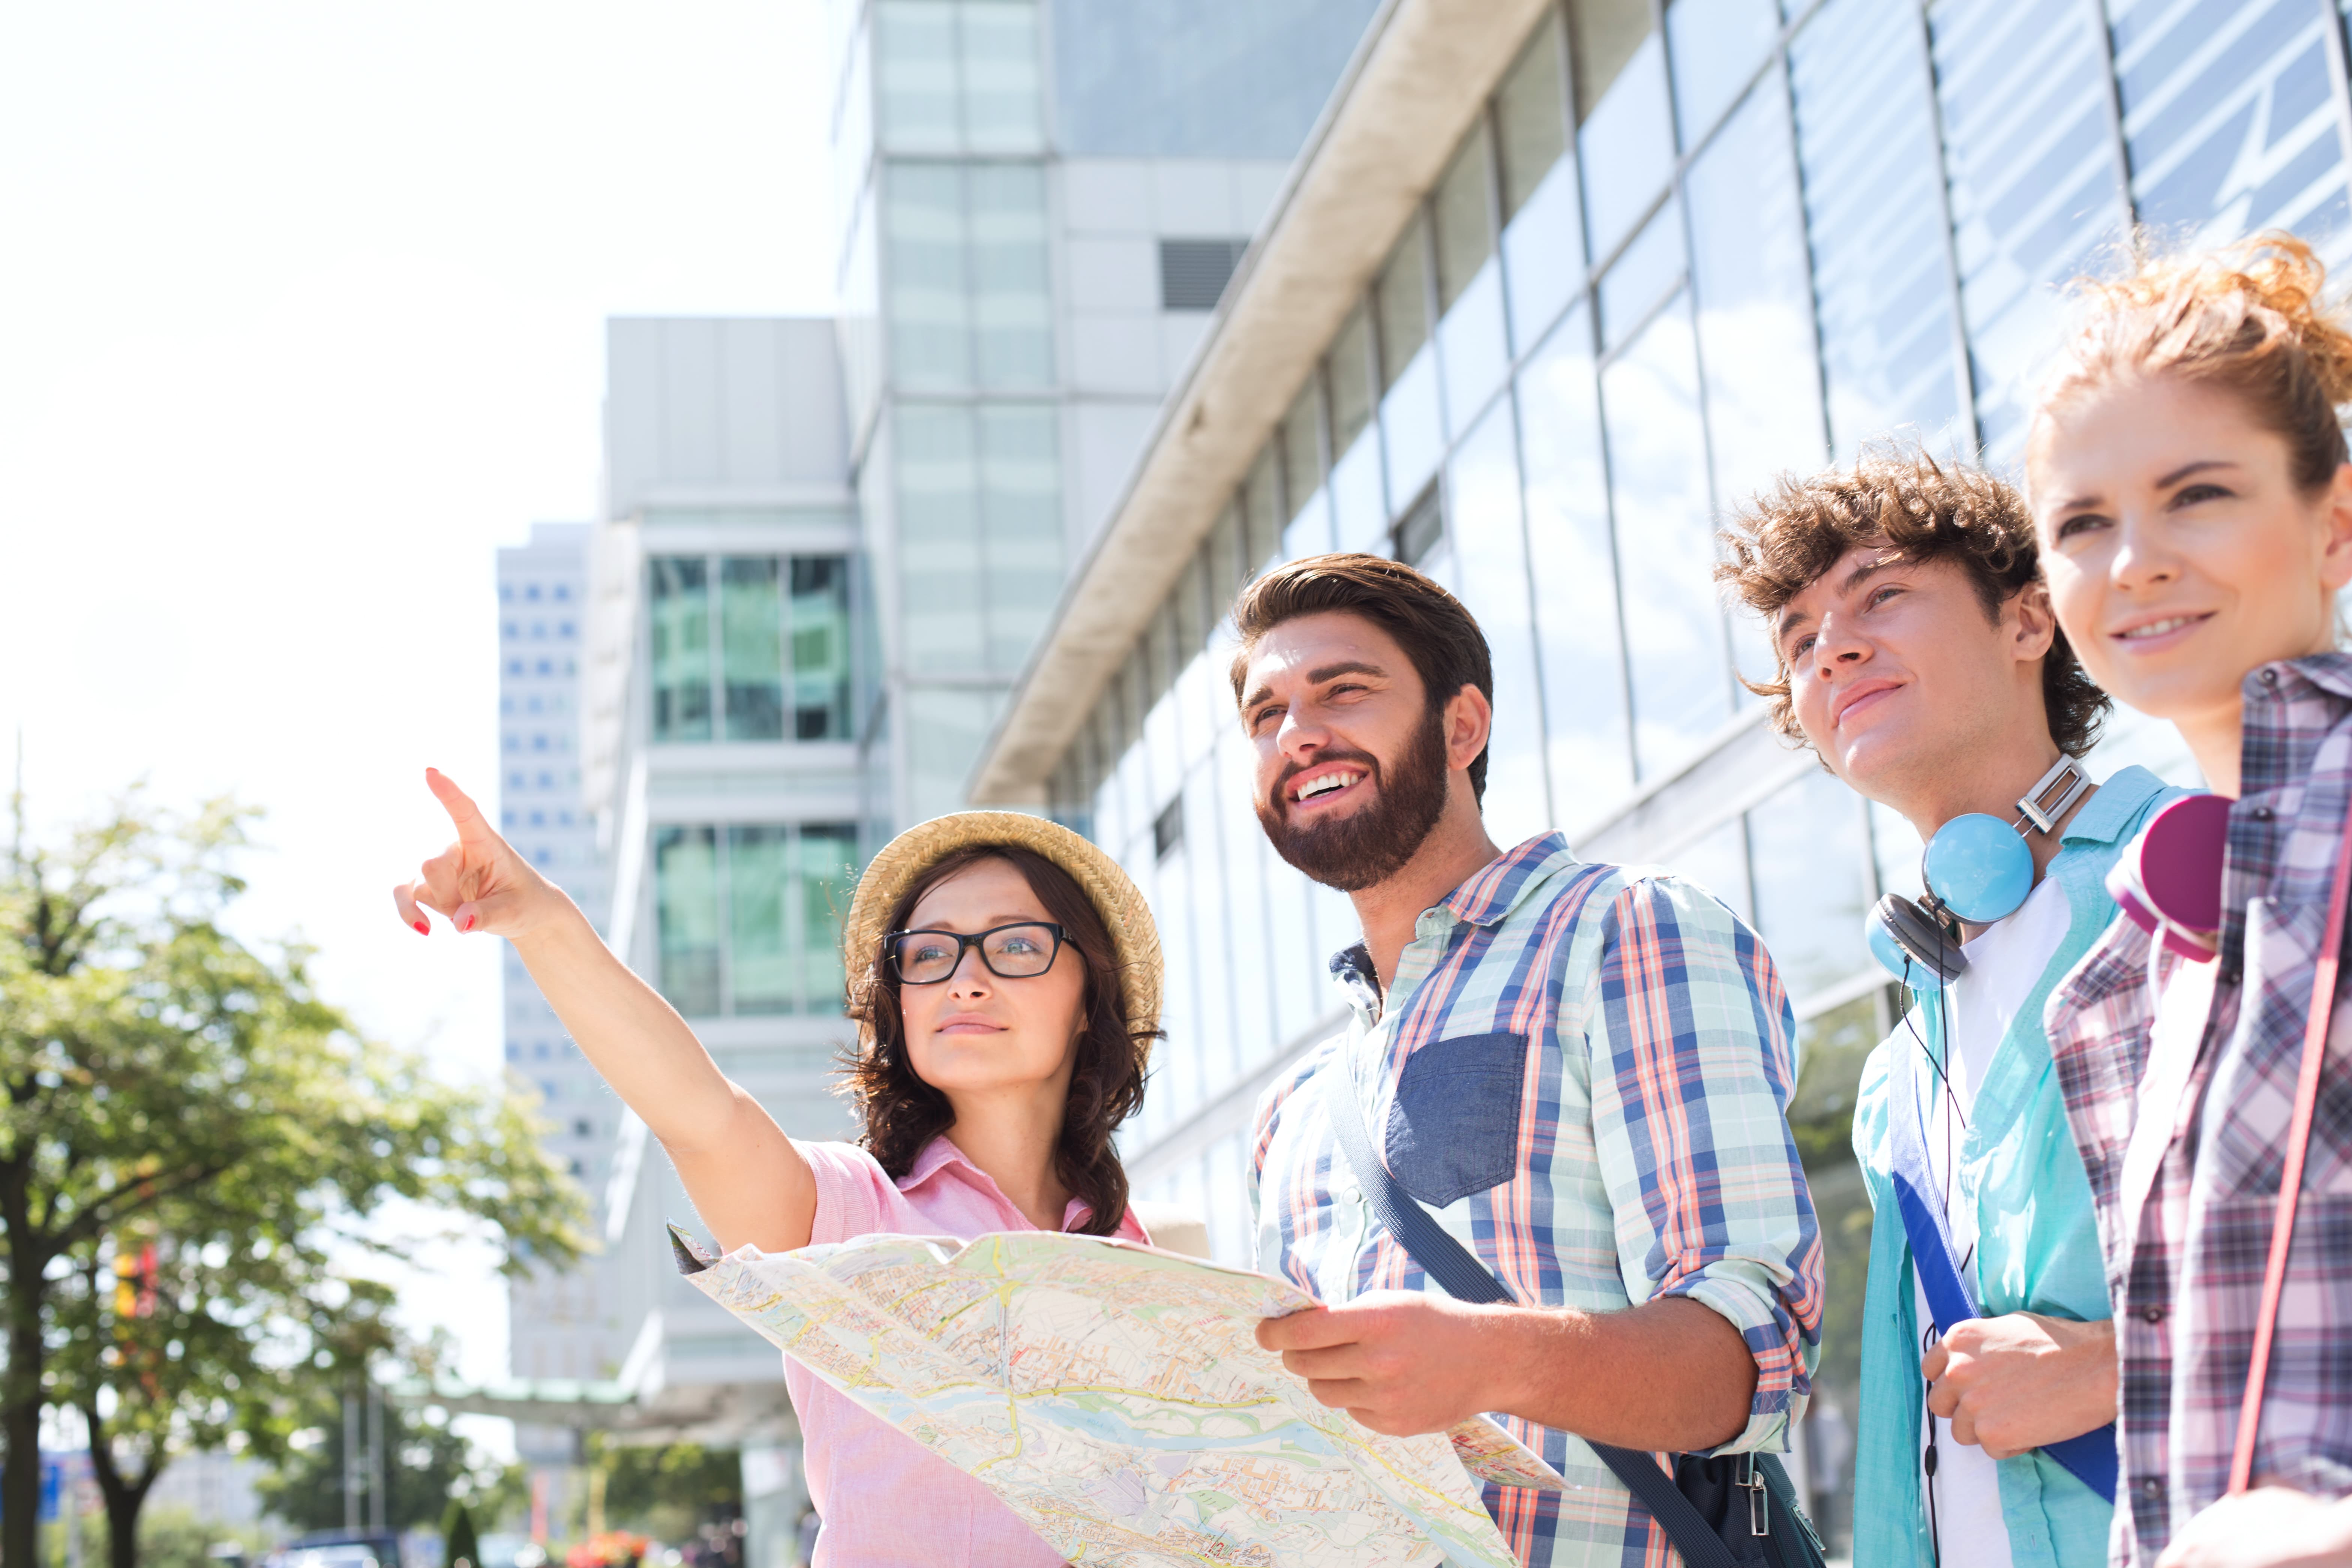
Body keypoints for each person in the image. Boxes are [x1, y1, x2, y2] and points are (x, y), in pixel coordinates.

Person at [393, 777, 1162, 1567]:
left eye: (1016, 945)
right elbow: (697, 1114)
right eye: (928, 953)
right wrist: (543, 921)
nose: (965, 977)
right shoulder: (849, 1218)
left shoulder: (1139, 1261)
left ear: (1087, 997)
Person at [1238, 554, 1823, 1564]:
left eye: (1344, 690)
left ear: (1462, 727)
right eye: (1266, 713)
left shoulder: (1626, 931)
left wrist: (1487, 1357)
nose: (1299, 732)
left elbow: (1752, 1358)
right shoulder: (1292, 1109)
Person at [1719, 449, 2178, 1568]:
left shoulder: (2194, 879)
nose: (1834, 645)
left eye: (1881, 594)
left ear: (2030, 621)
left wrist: (2126, 1367)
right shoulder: (1897, 1065)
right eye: (1799, 636)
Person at [2028, 231, 2352, 1568]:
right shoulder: (2125, 963)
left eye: (2198, 494)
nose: (2133, 563)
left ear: (2334, 523)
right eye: (2082, 523)